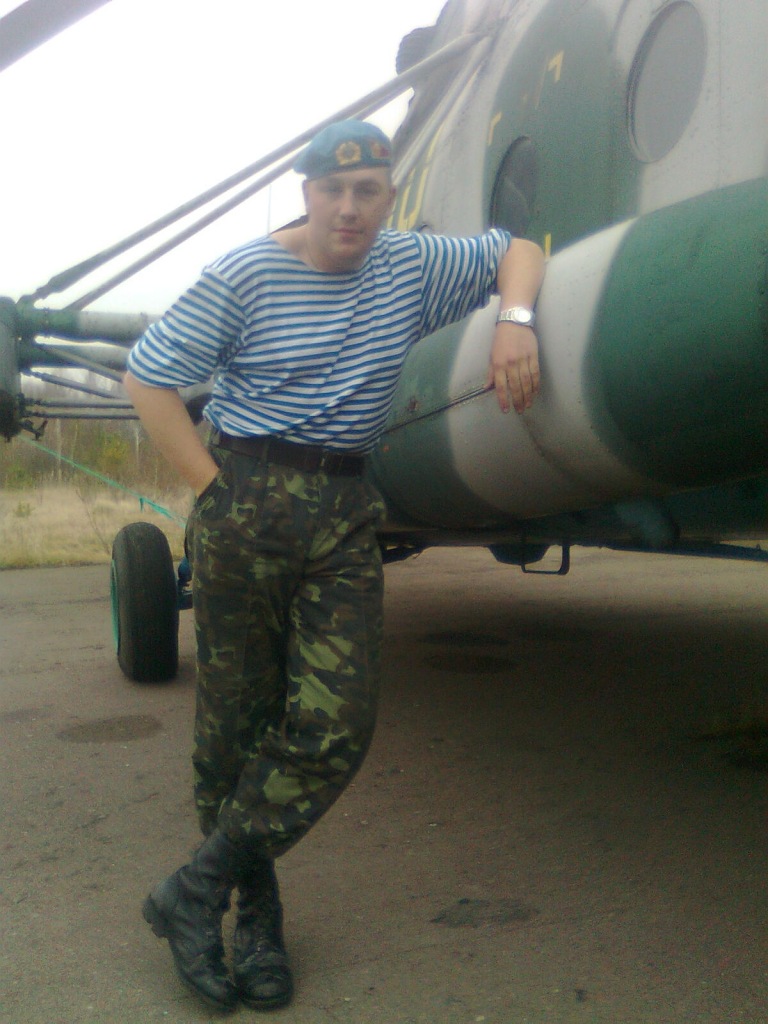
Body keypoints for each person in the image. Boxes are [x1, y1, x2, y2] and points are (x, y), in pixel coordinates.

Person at [123, 118, 544, 1013]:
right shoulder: (245, 275)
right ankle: (254, 919)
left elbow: (520, 250)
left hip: (347, 507)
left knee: (337, 726)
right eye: (332, 191)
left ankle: (192, 889)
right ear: (307, 193)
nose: (349, 209)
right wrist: (211, 490)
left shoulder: (411, 263)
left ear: (387, 196)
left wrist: (515, 322)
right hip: (248, 494)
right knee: (235, 729)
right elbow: (148, 378)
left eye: (368, 192)